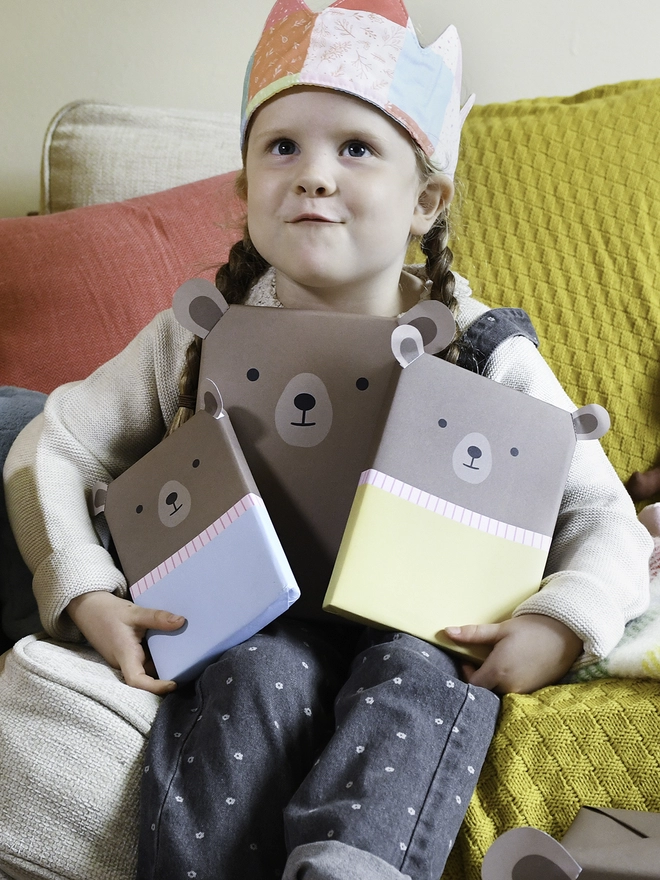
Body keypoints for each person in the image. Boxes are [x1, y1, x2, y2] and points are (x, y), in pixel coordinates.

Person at [4, 1, 652, 878]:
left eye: (355, 148)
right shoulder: (199, 335)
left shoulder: (479, 343)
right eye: (282, 148)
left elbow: (602, 511)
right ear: (244, 192)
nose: (313, 174)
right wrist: (83, 589)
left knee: (415, 677)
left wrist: (561, 623)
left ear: (426, 198)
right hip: (256, 629)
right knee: (255, 676)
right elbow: (58, 441)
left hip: (427, 634)